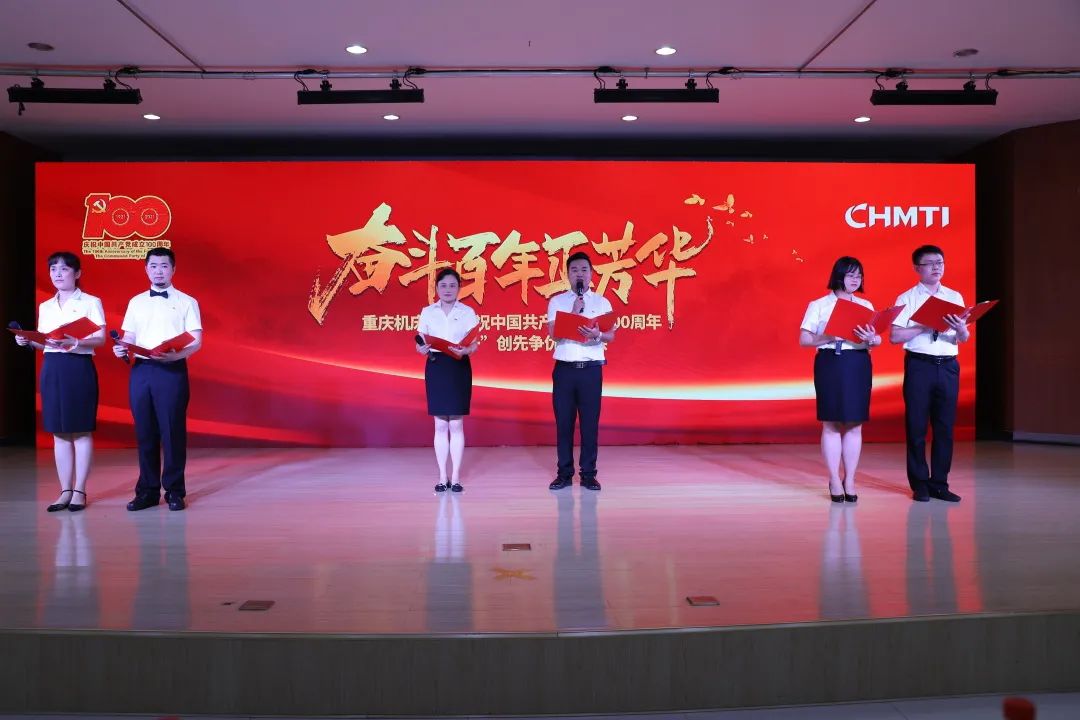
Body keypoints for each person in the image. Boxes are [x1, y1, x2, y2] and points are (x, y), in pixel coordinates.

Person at [112, 247, 203, 511]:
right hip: (142, 370)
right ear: (146, 269)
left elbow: (196, 340)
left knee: (172, 431)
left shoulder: (187, 302)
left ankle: (174, 491)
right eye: (153, 266)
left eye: (164, 266)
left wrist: (176, 355)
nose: (158, 271)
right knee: (145, 431)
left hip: (172, 370)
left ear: (173, 269)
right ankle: (148, 491)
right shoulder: (136, 302)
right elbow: (130, 336)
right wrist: (122, 347)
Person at [15, 251, 105, 512]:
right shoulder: (46, 306)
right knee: (59, 432)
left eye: (64, 269)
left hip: (78, 366)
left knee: (81, 430)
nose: (57, 273)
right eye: (53, 269)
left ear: (77, 273)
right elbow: (46, 343)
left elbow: (100, 338)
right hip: (52, 368)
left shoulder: (90, 301)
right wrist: (27, 341)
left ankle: (80, 490)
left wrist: (76, 341)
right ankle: (65, 490)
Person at [890, 245, 969, 503]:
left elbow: (962, 337)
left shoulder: (954, 296)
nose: (937, 267)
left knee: (945, 427)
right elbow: (894, 336)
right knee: (916, 427)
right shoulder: (907, 298)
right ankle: (920, 483)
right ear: (917, 268)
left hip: (948, 366)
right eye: (930, 263)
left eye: (940, 262)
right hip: (920, 366)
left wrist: (961, 329)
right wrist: (924, 326)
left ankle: (940, 483)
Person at [799, 256, 881, 503]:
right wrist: (830, 335)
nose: (856, 280)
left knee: (855, 423)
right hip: (831, 362)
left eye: (859, 276)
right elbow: (804, 339)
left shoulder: (865, 305)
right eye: (851, 275)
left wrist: (873, 339)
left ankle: (850, 479)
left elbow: (876, 339)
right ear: (838, 276)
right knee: (831, 423)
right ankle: (834, 479)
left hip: (858, 363)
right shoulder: (819, 305)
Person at [546, 251, 616, 491]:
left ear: (591, 273)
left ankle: (588, 474)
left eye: (584, 270)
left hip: (591, 371)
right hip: (565, 370)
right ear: (567, 274)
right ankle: (564, 474)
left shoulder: (602, 302)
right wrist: (574, 313)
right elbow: (554, 335)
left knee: (589, 424)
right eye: (574, 270)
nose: (579, 274)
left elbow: (611, 335)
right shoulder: (557, 302)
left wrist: (598, 334)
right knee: (564, 423)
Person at [416, 268, 479, 493]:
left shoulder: (468, 312)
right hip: (436, 365)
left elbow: (474, 343)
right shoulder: (428, 312)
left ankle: (457, 477)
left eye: (453, 285)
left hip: (458, 365)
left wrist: (466, 350)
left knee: (456, 423)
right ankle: (443, 477)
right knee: (441, 424)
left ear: (459, 288)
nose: (448, 289)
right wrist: (421, 349)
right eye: (443, 285)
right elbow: (420, 340)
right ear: (436, 288)